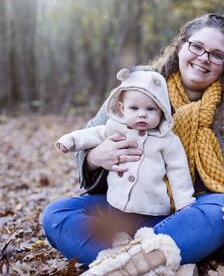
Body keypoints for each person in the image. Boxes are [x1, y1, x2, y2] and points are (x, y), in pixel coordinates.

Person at [42, 13, 224, 276]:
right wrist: (95, 157)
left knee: (223, 206)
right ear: (181, 46)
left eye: (217, 55)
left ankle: (116, 272)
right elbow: (89, 141)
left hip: (198, 222)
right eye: (196, 47)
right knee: (57, 214)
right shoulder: (138, 88)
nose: (204, 58)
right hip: (134, 211)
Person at [56, 67, 196, 216]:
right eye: (134, 108)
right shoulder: (115, 128)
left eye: (150, 109)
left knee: (150, 229)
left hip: (153, 211)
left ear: (162, 111)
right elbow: (92, 134)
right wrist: (69, 141)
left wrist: (184, 204)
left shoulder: (168, 140)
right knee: (57, 213)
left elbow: (179, 172)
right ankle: (118, 237)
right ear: (122, 108)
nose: (142, 114)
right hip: (115, 205)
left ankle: (150, 236)